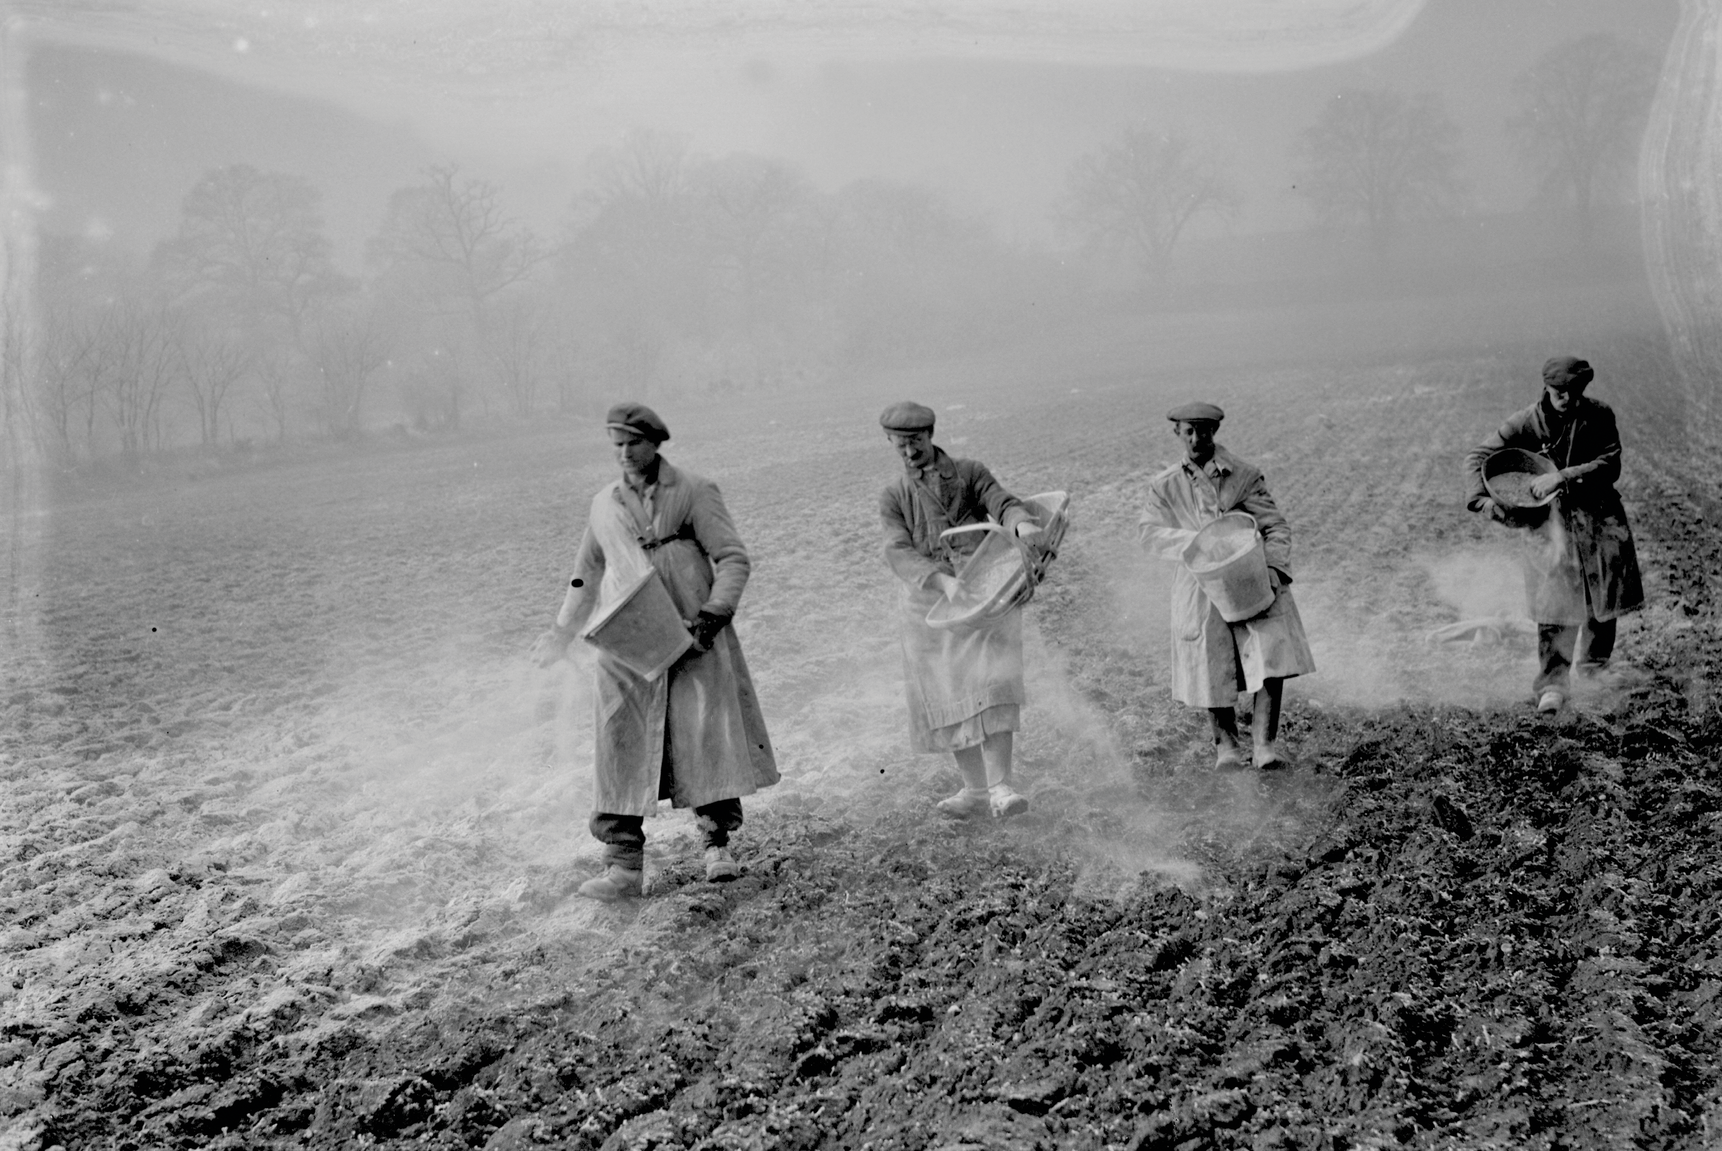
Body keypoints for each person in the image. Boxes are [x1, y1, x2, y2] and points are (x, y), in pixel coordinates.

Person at [532, 402, 778, 901]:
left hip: (693, 635)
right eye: (617, 445)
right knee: (619, 740)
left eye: (634, 444)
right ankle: (623, 865)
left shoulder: (692, 491)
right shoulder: (604, 504)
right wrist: (561, 631)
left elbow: (732, 558)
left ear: (655, 444)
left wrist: (712, 615)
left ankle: (716, 845)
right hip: (626, 639)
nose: (625, 454)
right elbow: (585, 573)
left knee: (703, 732)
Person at [879, 401, 1045, 819]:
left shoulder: (969, 472)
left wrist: (1021, 524)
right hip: (929, 609)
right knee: (948, 697)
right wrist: (941, 581)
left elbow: (1002, 502)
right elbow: (897, 550)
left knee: (992, 688)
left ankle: (1001, 787)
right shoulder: (894, 496)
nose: (909, 452)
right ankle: (974, 789)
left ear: (931, 435)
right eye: (900, 445)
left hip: (985, 596)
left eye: (915, 441)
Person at [1137, 402, 1316, 770]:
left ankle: (1265, 744)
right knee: (1210, 655)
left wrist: (1274, 569)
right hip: (1200, 581)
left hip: (1250, 573)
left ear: (1214, 432)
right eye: (1189, 430)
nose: (1197, 438)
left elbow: (1276, 527)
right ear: (1177, 433)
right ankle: (1227, 747)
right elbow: (1149, 534)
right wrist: (1196, 541)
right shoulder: (1165, 485)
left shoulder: (1244, 475)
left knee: (1269, 650)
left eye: (1204, 430)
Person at [1464, 356, 1643, 714]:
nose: (1567, 398)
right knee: (1554, 601)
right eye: (1559, 392)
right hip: (1550, 526)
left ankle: (1595, 671)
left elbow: (1611, 462)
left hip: (1599, 519)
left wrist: (1561, 475)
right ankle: (1552, 684)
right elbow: (1478, 455)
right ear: (1547, 388)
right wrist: (1481, 501)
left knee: (1602, 600)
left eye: (1574, 392)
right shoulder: (1526, 421)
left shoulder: (1600, 414)